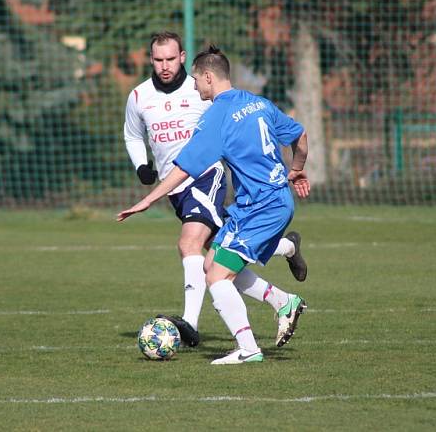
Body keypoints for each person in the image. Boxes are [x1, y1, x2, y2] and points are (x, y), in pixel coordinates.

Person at [121, 39, 308, 357]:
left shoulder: (216, 117)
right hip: (255, 204)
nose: (193, 87)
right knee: (211, 264)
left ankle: (247, 349)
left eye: (195, 79)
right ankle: (284, 300)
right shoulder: (257, 101)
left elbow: (183, 170)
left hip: (263, 206)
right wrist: (297, 169)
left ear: (208, 77)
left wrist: (147, 200)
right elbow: (299, 136)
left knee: (217, 277)